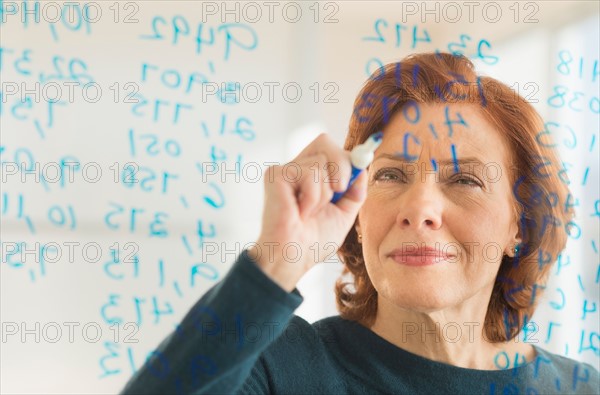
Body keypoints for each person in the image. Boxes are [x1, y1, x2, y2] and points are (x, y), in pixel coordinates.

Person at [121, 53, 599, 394]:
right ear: (358, 213)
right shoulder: (280, 368)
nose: (419, 208)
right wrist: (276, 260)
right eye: (390, 174)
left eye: (465, 180)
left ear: (521, 224)